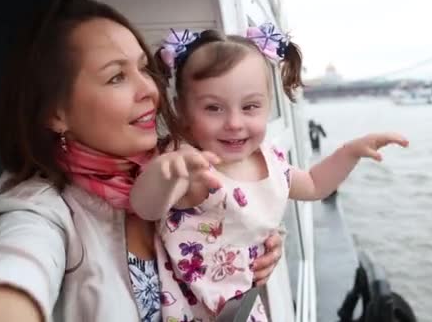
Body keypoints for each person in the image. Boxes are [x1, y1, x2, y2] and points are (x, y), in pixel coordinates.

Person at [0, 0, 283, 322]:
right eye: (116, 77)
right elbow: (16, 267)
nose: (149, 90)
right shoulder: (42, 214)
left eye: (143, 68)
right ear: (56, 113)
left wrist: (257, 242)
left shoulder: (180, 164)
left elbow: (233, 213)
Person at [130, 26, 410, 321]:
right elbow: (146, 208)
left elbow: (314, 185)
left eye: (250, 106)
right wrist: (163, 174)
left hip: (242, 307)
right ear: (182, 111)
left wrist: (350, 152)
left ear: (268, 106)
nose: (235, 122)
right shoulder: (189, 164)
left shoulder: (269, 160)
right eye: (213, 108)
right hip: (193, 310)